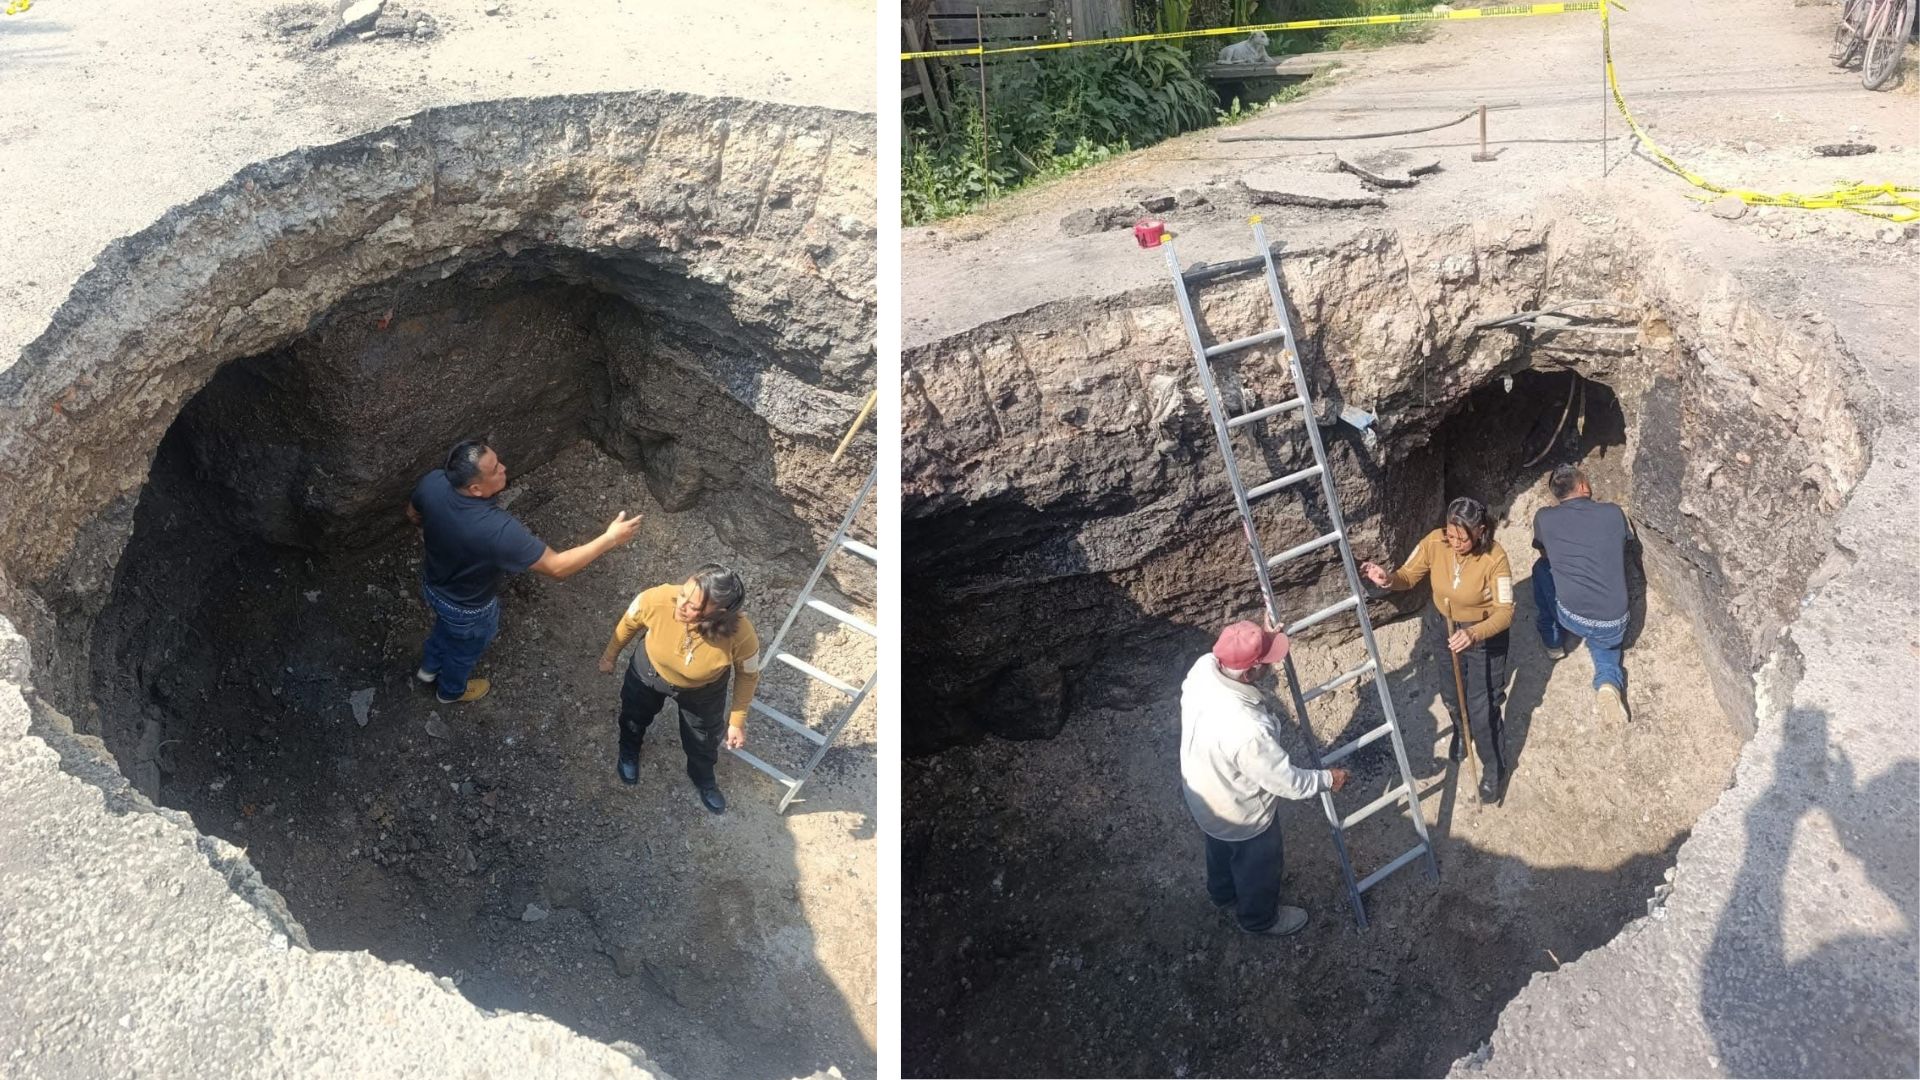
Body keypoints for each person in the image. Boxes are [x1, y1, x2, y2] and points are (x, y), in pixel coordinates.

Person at [407, 437, 641, 705]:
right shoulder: (497, 530)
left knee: (445, 628)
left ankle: (429, 668)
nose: (504, 468)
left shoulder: (433, 482)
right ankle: (450, 691)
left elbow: (414, 514)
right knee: (464, 649)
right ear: (475, 489)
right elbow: (557, 567)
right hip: (468, 607)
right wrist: (610, 538)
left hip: (434, 584)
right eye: (495, 469)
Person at [1179, 619, 1350, 937]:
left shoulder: (1204, 668)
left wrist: (1262, 637)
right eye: (1265, 661)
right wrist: (1328, 779)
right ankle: (1258, 919)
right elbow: (1287, 782)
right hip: (1242, 815)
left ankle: (1222, 895)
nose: (1272, 665)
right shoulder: (1247, 729)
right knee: (1258, 865)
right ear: (1248, 674)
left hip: (1203, 796)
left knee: (1218, 849)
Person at [1360, 496, 1514, 806]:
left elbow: (1505, 611)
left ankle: (1494, 768)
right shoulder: (1435, 542)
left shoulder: (1495, 557)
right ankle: (1461, 728)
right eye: (1450, 534)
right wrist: (1388, 579)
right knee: (1450, 694)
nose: (1454, 542)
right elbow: (1408, 576)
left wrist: (1474, 633)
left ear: (1480, 531)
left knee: (1483, 709)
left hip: (1482, 636)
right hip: (1443, 626)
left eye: (1462, 537)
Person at [598, 565, 762, 814]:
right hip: (649, 672)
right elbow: (629, 622)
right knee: (633, 716)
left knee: (703, 739)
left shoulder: (742, 633)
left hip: (703, 691)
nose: (680, 604)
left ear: (719, 613)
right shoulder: (659, 598)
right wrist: (610, 655)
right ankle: (629, 751)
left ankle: (703, 779)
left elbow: (748, 675)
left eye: (693, 606)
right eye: (683, 593)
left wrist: (737, 721)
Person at [1530, 463, 1633, 724]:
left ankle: (1553, 642)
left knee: (1541, 569)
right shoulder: (1612, 512)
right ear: (1584, 486)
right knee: (1605, 644)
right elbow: (1625, 542)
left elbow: (1544, 553)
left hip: (1572, 616)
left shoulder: (1544, 517)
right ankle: (1608, 683)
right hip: (1614, 618)